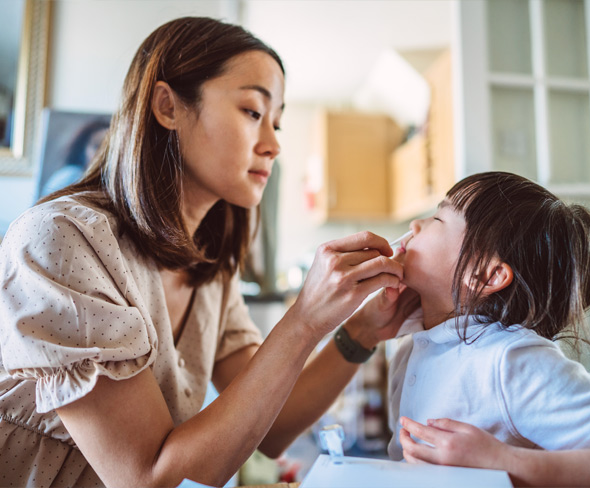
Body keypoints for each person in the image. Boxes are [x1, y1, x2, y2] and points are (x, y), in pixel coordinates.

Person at [0, 17, 414, 487]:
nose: (275, 144)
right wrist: (304, 320)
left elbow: (272, 426)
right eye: (254, 113)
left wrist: (362, 330)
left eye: (276, 122)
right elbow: (146, 476)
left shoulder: (211, 269)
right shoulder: (59, 240)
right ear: (167, 106)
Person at [365, 171, 590, 485]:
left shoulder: (510, 360)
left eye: (438, 219)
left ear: (486, 275)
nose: (415, 225)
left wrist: (504, 461)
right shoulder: (412, 350)